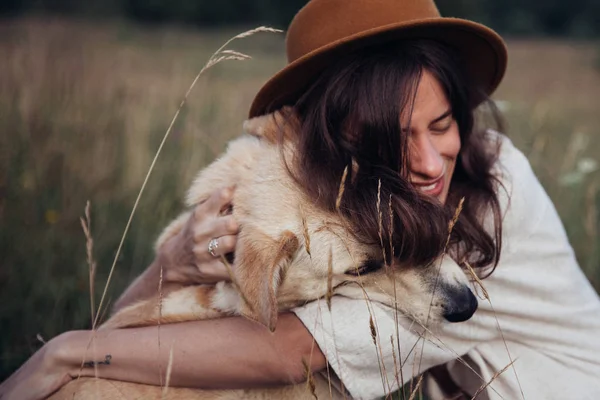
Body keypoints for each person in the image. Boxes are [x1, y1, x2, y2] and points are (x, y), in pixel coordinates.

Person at [2, 0, 600, 399]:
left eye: (442, 124)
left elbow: (289, 351)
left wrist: (69, 351)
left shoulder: (494, 199)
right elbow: (140, 324)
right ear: (338, 139)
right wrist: (170, 265)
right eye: (395, 139)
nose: (427, 163)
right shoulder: (338, 207)